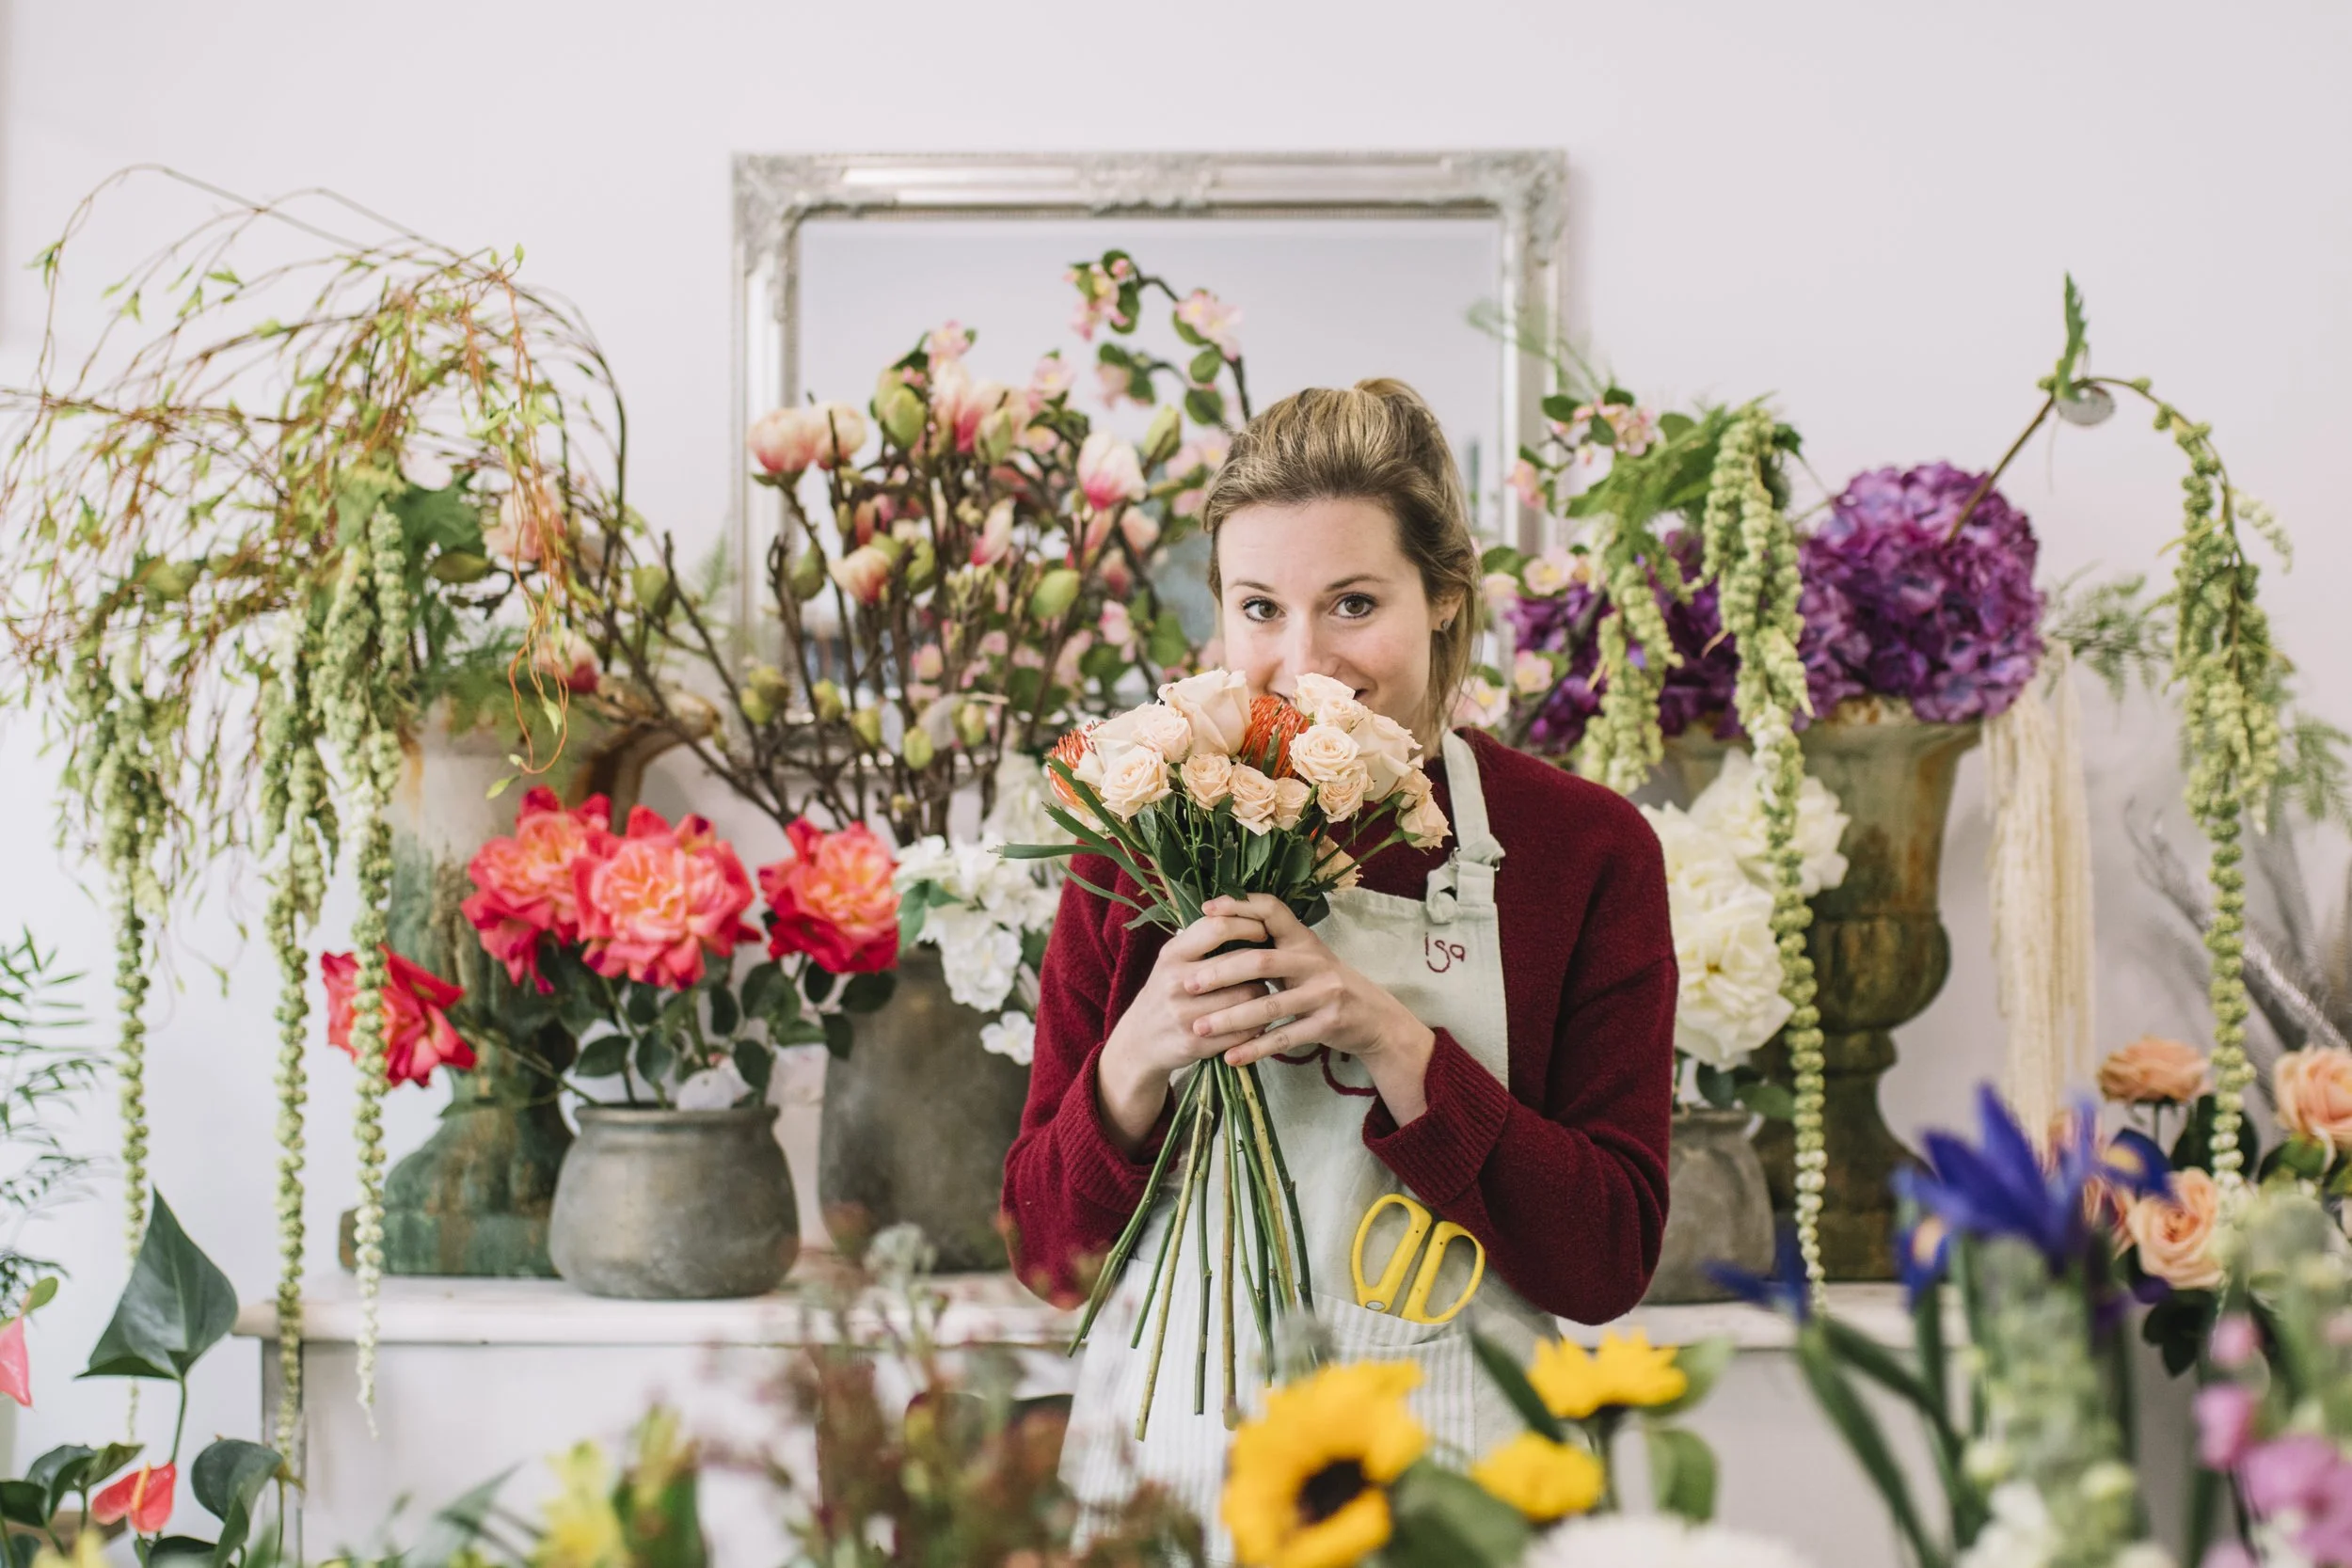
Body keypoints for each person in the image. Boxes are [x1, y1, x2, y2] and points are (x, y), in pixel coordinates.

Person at [1000, 377, 1676, 1551]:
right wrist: (1141, 1051)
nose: (1301, 660)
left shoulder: (1583, 848)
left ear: (1445, 596)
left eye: (1353, 603)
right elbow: (1044, 1256)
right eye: (1259, 607)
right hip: (1173, 1471)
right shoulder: (1138, 834)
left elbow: (1605, 1258)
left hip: (1462, 1484)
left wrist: (1398, 1044)